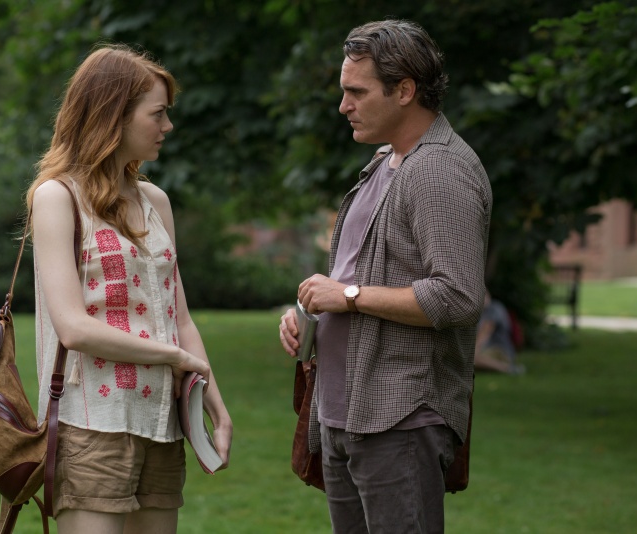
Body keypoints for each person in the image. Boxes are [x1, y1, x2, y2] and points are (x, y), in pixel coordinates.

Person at [279, 20, 492, 533]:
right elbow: (355, 273)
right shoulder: (384, 162)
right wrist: (308, 314)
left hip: (400, 419)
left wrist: (348, 296)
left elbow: (458, 297)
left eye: (357, 92)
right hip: (345, 413)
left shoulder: (438, 171)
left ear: (404, 90)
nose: (343, 106)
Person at [26, 44, 232, 534]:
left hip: (162, 421)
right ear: (113, 115)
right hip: (91, 423)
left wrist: (215, 405)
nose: (168, 126)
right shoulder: (58, 197)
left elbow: (180, 318)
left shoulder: (155, 201)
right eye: (157, 114)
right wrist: (173, 357)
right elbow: (73, 328)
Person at [474, 292, 524, 374]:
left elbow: (485, 332)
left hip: (500, 351)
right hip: (486, 350)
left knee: (470, 359)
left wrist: (472, 353)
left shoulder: (494, 308)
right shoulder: (479, 313)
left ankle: (508, 369)